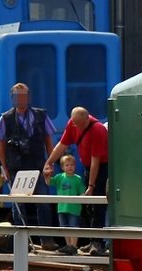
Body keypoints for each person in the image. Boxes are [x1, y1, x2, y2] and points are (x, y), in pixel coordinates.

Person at [0, 82, 57, 250]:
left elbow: (49, 140)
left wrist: (50, 163)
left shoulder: (41, 115)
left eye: (23, 96)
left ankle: (46, 240)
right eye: (17, 96)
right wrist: (4, 167)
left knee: (43, 203)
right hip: (16, 167)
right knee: (18, 204)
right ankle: (22, 242)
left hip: (38, 165)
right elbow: (0, 144)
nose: (21, 100)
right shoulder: (5, 118)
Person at [43, 106, 109, 256]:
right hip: (88, 166)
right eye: (75, 123)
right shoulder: (73, 124)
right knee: (88, 206)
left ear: (87, 119)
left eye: (80, 123)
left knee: (97, 205)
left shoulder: (97, 129)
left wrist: (91, 185)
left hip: (102, 167)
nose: (77, 127)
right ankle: (92, 240)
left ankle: (98, 243)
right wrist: (49, 162)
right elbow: (62, 145)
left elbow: (96, 161)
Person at [46, 154, 86, 255]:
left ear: (75, 166)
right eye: (67, 165)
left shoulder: (78, 179)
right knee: (64, 227)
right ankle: (68, 245)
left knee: (74, 227)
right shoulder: (59, 177)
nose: (70, 167)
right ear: (62, 167)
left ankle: (73, 246)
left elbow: (82, 192)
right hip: (62, 207)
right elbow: (49, 182)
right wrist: (46, 176)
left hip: (74, 208)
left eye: (72, 165)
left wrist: (83, 199)